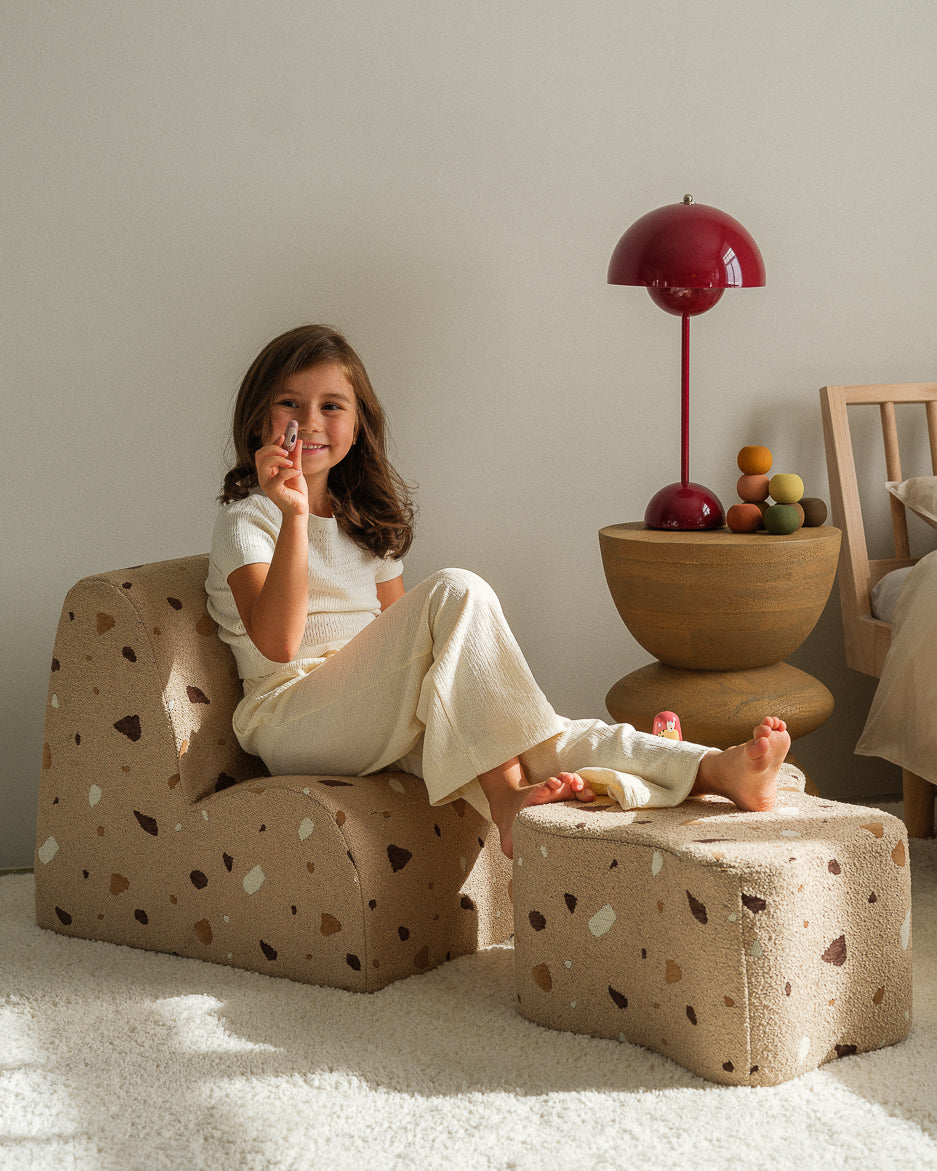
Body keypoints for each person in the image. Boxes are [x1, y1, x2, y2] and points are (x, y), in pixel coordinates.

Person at [206, 324, 791, 858]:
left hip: (371, 711)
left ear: (357, 427)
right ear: (260, 420)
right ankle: (508, 798)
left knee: (543, 733)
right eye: (290, 404)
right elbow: (281, 646)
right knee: (456, 591)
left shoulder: (367, 523)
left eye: (331, 406)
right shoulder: (249, 520)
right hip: (289, 719)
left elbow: (399, 638)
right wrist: (294, 516)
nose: (309, 422)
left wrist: (467, 699)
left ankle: (716, 770)